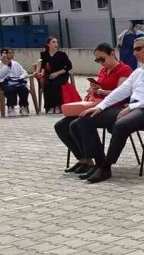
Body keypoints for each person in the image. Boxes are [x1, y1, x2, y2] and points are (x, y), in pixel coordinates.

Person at [73, 37, 144, 183]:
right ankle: (98, 163)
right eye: (134, 49)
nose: (135, 53)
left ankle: (106, 167)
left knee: (121, 125)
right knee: (85, 119)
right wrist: (100, 106)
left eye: (139, 49)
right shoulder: (138, 72)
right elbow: (121, 91)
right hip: (132, 108)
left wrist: (131, 107)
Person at [55, 43, 133, 174]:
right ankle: (84, 159)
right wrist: (94, 89)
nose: (101, 63)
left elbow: (120, 93)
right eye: (98, 60)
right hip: (98, 105)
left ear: (112, 54)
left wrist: (101, 91)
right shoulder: (103, 70)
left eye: (102, 59)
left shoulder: (124, 69)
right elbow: (100, 88)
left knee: (80, 123)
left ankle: (99, 161)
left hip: (115, 107)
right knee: (62, 125)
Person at [35, 36, 72, 114]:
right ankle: (50, 106)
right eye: (54, 42)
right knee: (47, 85)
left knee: (56, 84)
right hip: (50, 75)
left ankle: (58, 106)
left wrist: (57, 73)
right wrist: (41, 73)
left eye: (57, 42)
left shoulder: (62, 54)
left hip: (61, 74)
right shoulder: (44, 54)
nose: (56, 44)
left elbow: (69, 66)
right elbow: (43, 66)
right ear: (48, 44)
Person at [0, 48, 31, 116]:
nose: (11, 54)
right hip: (4, 83)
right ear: (3, 54)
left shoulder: (16, 64)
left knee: (24, 88)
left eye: (12, 53)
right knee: (10, 89)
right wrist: (6, 65)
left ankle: (23, 106)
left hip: (17, 82)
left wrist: (20, 77)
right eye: (9, 53)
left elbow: (24, 72)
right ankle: (11, 107)